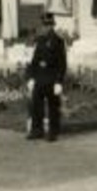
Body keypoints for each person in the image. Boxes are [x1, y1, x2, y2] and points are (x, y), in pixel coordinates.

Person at [26, 13, 68, 142]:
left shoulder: (58, 42)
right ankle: (37, 130)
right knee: (36, 105)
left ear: (52, 26)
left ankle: (53, 132)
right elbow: (34, 60)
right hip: (40, 77)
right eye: (44, 25)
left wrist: (59, 82)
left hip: (51, 78)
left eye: (48, 25)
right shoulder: (40, 40)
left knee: (53, 107)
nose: (46, 28)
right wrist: (31, 77)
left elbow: (62, 64)